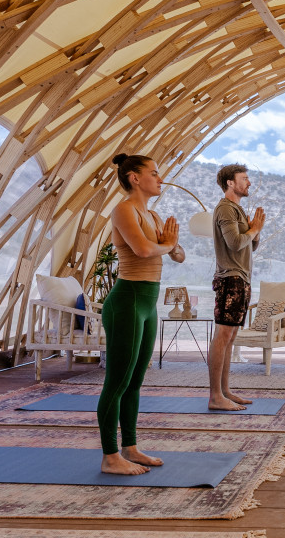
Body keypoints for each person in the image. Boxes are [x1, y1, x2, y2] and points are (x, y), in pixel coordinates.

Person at [98, 153, 185, 475]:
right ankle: (109, 457)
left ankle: (130, 447)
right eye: (154, 172)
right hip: (128, 300)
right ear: (135, 178)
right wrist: (166, 244)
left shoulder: (154, 214)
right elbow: (144, 250)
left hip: (148, 303)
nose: (160, 178)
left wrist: (173, 244)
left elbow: (177, 255)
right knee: (116, 382)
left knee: (135, 381)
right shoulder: (124, 209)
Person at [208, 163, 265, 411]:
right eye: (244, 178)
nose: (248, 182)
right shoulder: (225, 209)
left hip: (241, 279)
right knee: (222, 336)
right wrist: (253, 229)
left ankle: (225, 391)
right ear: (230, 183)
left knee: (230, 337)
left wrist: (256, 232)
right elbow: (234, 243)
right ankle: (214, 396)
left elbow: (249, 246)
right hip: (230, 278)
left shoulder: (238, 210)